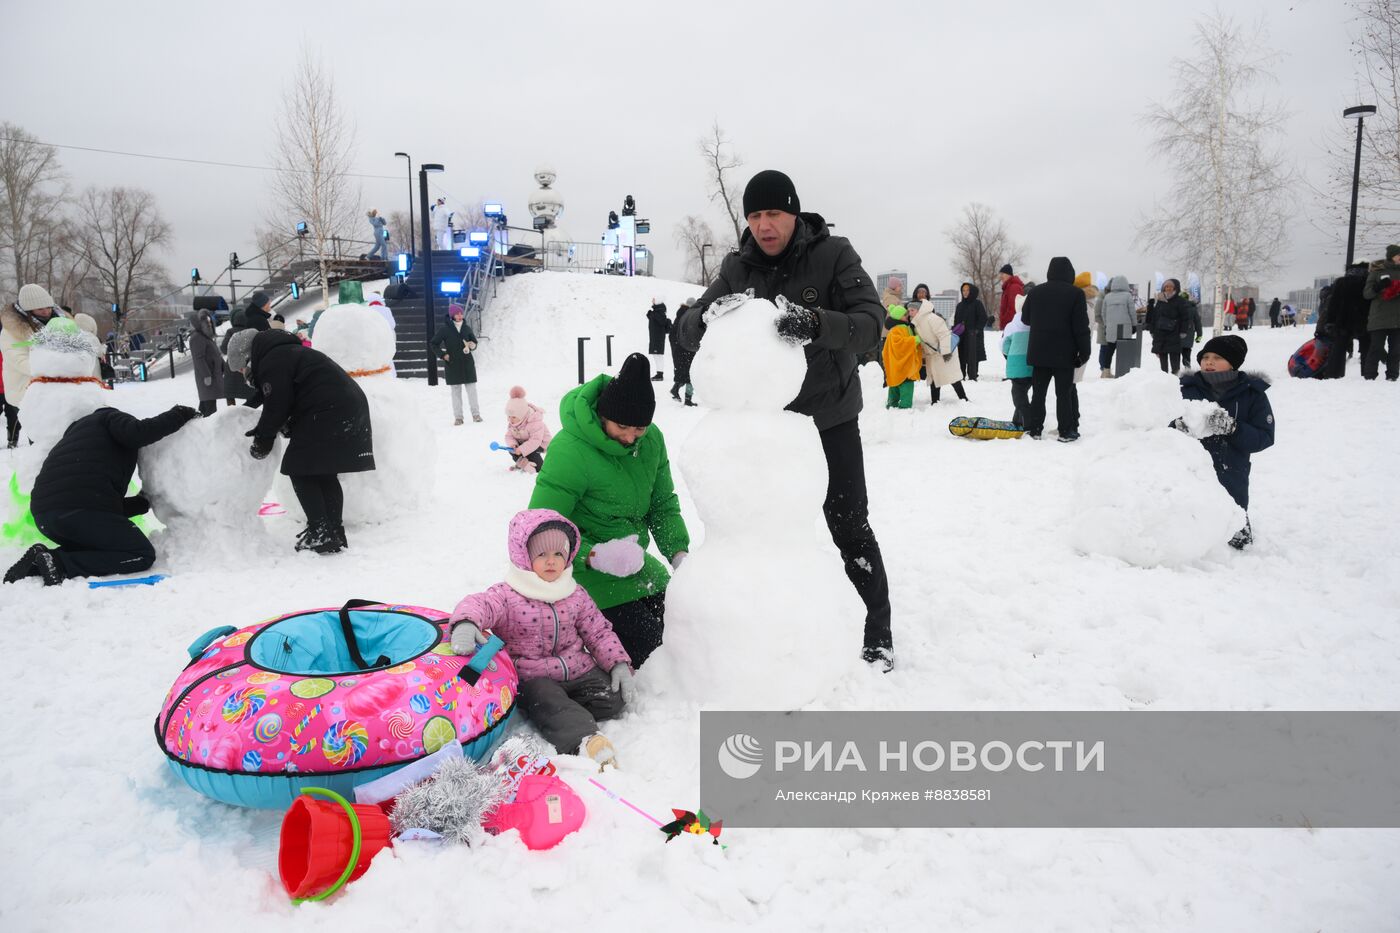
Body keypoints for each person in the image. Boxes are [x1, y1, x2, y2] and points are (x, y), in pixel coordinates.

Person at [673, 169, 893, 671]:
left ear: (794, 212)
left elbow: (869, 323)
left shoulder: (834, 254)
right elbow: (687, 328)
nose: (764, 225)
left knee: (848, 523)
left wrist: (817, 324)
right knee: (760, 535)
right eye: (754, 215)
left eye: (773, 213)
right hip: (768, 430)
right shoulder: (738, 265)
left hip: (829, 414)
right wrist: (706, 318)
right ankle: (769, 632)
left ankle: (876, 627)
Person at [527, 352, 690, 668]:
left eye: (640, 428)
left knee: (689, 634)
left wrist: (678, 553)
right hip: (584, 579)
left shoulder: (651, 440)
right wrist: (594, 555)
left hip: (639, 568)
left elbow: (662, 504)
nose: (631, 437)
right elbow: (540, 529)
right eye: (623, 426)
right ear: (603, 415)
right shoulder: (570, 450)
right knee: (658, 658)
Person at [449, 509, 633, 767]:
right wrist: (466, 622)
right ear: (524, 557)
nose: (551, 561)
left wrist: (617, 663)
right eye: (542, 554)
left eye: (558, 554)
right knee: (546, 698)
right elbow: (481, 604)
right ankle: (586, 740)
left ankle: (561, 713)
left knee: (614, 697)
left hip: (576, 669)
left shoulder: (574, 593)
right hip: (534, 678)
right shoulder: (508, 594)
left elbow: (598, 630)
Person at [3, 403, 199, 586]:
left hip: (46, 516)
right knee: (140, 553)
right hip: (79, 509)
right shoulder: (110, 418)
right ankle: (58, 562)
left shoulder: (75, 436)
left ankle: (41, 561)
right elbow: (139, 432)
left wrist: (142, 503)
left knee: (98, 544)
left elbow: (100, 506)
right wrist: (180, 413)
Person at [235, 328, 375, 553]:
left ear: (249, 357)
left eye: (242, 368)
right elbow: (271, 394)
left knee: (299, 468)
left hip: (329, 410)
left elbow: (277, 403)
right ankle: (333, 531)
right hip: (347, 405)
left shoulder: (273, 360)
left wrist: (263, 438)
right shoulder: (285, 354)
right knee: (323, 471)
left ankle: (320, 532)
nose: (244, 374)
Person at [1176, 335, 1275, 549]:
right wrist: (1177, 427)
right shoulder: (1184, 389)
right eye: (1205, 357)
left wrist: (1233, 428)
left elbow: (1265, 437)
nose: (1209, 362)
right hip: (1189, 471)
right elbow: (1158, 425)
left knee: (1235, 538)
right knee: (1186, 526)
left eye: (1217, 357)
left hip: (1232, 472)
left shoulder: (1252, 394)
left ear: (1233, 363)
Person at [1021, 257, 1091, 442]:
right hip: (1064, 353)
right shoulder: (1076, 294)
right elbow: (1081, 327)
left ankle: (1035, 429)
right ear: (1070, 273)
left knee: (1038, 393)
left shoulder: (1035, 292)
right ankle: (1066, 431)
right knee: (1064, 394)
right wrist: (1085, 353)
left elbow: (1025, 319)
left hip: (1039, 352)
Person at [1, 284, 65, 446]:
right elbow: (18, 359)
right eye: (39, 309)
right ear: (28, 310)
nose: (46, 311)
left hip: (58, 389)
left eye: (48, 307)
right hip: (26, 391)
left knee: (61, 438)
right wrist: (53, 368)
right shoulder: (12, 330)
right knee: (41, 441)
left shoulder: (61, 323)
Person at [1317, 263, 1370, 379]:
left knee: (1339, 349)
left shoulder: (1341, 282)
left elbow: (1333, 304)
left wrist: (1330, 321)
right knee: (1366, 347)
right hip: (1364, 320)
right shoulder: (1368, 282)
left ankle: (1334, 373)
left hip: (1343, 320)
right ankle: (1368, 373)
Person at [430, 304, 481, 424]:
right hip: (453, 364)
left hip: (467, 364)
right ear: (452, 315)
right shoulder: (445, 330)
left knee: (472, 390)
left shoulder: (466, 328)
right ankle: (458, 417)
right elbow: (433, 343)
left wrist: (472, 345)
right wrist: (443, 355)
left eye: (461, 313)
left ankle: (476, 415)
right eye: (457, 314)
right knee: (456, 392)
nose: (460, 316)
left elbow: (474, 342)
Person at [909, 299, 966, 404]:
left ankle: (963, 399)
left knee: (952, 377)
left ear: (919, 310)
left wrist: (946, 352)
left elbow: (944, 335)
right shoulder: (917, 323)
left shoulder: (932, 318)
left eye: (912, 310)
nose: (910, 312)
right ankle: (935, 402)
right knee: (934, 378)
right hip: (933, 355)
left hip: (944, 353)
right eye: (909, 310)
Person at [1362, 244, 1400, 381]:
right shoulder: (1377, 271)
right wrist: (1379, 287)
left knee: (1396, 350)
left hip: (1397, 318)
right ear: (1391, 256)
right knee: (1376, 348)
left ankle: (1392, 376)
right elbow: (1367, 294)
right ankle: (1370, 375)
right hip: (1379, 318)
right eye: (1398, 255)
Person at [881, 305, 921, 409]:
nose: (907, 316)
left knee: (894, 385)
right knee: (905, 386)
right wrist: (914, 340)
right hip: (903, 365)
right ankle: (904, 406)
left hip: (898, 364)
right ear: (899, 317)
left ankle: (892, 404)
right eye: (904, 314)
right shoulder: (896, 330)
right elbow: (899, 344)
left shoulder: (901, 328)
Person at [1147, 279, 1191, 373]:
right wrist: (1152, 330)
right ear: (1164, 288)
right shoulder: (1160, 301)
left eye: (1171, 287)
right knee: (1163, 359)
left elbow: (1185, 318)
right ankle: (1164, 378)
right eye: (1166, 287)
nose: (1168, 289)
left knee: (1174, 359)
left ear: (1175, 288)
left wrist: (1183, 331)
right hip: (1160, 334)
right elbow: (1155, 316)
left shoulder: (1180, 301)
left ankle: (1175, 379)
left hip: (1174, 333)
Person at [504, 385, 551, 473]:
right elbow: (509, 436)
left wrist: (521, 449)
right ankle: (524, 464)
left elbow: (535, 441)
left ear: (522, 414)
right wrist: (513, 445)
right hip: (525, 442)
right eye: (509, 416)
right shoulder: (513, 423)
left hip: (540, 443)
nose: (510, 420)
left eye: (513, 417)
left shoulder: (534, 421)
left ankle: (538, 467)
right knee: (512, 450)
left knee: (531, 454)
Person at [1001, 296, 1032, 426]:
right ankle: (1018, 420)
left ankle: (1028, 421)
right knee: (1023, 393)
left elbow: (1004, 346)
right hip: (1032, 365)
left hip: (1016, 366)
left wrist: (1009, 355)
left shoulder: (1012, 326)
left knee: (1018, 395)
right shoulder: (1035, 323)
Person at [189, 308, 226, 416]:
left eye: (210, 321)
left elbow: (216, 354)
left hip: (213, 374)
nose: (209, 324)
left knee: (207, 403)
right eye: (207, 322)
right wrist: (207, 375)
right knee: (209, 406)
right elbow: (198, 358)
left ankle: (200, 424)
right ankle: (207, 427)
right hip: (207, 377)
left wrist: (224, 366)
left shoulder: (206, 336)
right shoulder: (197, 337)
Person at [1098, 275, 1135, 377]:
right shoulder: (1128, 296)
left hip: (1111, 328)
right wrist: (1134, 325)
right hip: (1125, 328)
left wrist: (1106, 324)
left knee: (1109, 351)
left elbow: (1103, 313)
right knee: (1123, 350)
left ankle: (1106, 371)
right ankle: (1123, 370)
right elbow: (1132, 312)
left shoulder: (1107, 296)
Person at [953, 282, 988, 381]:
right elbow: (956, 320)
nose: (965, 292)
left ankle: (973, 376)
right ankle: (961, 375)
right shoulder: (959, 305)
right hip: (961, 336)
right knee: (962, 355)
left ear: (971, 291)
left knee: (973, 355)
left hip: (973, 335)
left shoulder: (977, 304)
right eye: (963, 290)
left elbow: (983, 318)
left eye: (967, 290)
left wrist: (976, 330)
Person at [669, 297, 698, 406]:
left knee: (684, 373)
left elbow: (672, 334)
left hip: (681, 350)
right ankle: (688, 399)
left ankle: (676, 389)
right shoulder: (688, 317)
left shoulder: (680, 316)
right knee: (691, 375)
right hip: (687, 349)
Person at [1073, 272, 1101, 382]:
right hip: (1084, 345)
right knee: (1075, 380)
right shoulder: (1089, 304)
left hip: (1078, 346)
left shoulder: (1082, 305)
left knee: (1072, 380)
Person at [646, 298, 670, 382]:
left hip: (657, 337)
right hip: (655, 337)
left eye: (654, 300)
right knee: (656, 355)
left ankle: (660, 374)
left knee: (658, 355)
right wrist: (650, 314)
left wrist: (651, 314)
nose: (652, 301)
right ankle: (659, 373)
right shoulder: (657, 312)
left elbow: (661, 321)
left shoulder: (659, 312)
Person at [997, 264, 1024, 330]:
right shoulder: (1008, 287)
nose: (1001, 276)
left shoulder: (1014, 287)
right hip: (1009, 326)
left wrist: (1004, 322)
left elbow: (1013, 309)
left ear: (1008, 274)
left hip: (1011, 326)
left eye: (1002, 274)